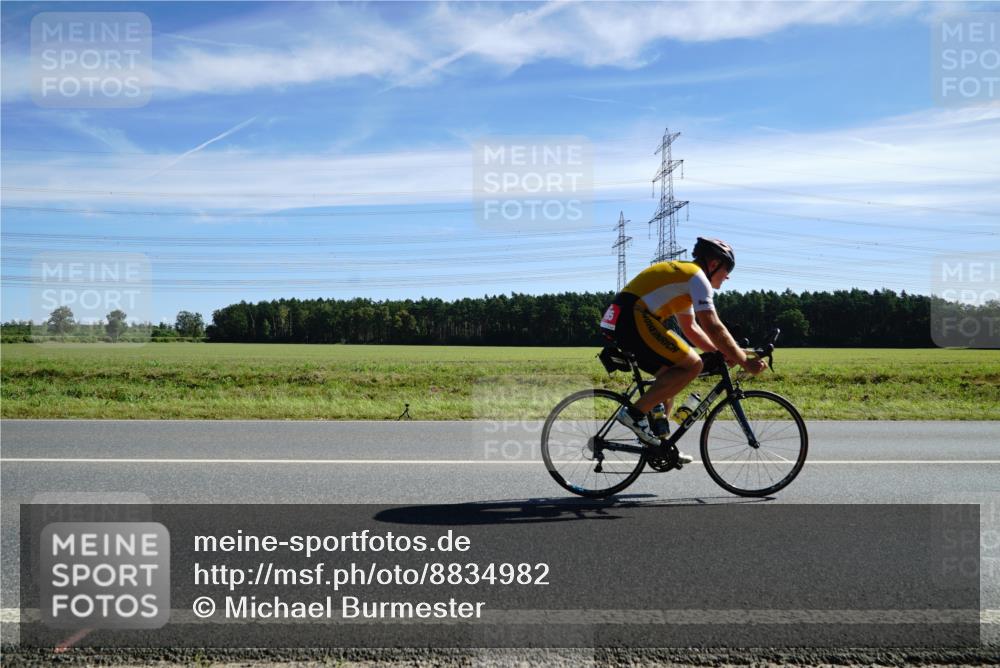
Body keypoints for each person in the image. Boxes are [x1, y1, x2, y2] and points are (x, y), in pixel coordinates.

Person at [599, 237, 767, 464]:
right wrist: (743, 360)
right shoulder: (697, 278)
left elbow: (691, 328)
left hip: (622, 317)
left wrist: (722, 353)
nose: (728, 276)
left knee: (671, 378)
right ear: (714, 263)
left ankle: (660, 447)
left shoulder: (684, 279)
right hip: (634, 316)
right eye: (727, 269)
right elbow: (713, 326)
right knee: (693, 365)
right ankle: (634, 415)